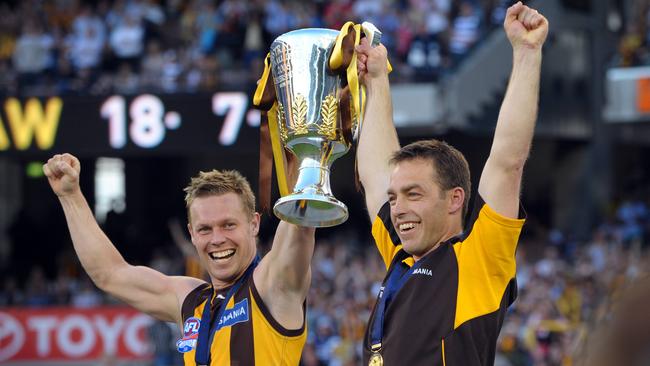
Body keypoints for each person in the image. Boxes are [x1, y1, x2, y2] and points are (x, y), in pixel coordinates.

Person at [354, 2, 548, 365]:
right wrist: (376, 80)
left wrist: (526, 52)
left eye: (414, 194)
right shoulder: (400, 257)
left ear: (455, 199)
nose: (397, 209)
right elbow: (375, 175)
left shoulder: (477, 257)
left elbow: (507, 162)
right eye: (395, 198)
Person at [43, 154, 314, 365]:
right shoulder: (190, 300)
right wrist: (70, 195)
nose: (217, 238)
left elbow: (299, 226)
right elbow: (110, 273)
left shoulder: (271, 285)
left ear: (254, 224)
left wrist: (311, 156)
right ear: (191, 235)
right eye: (205, 229)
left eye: (228, 225)